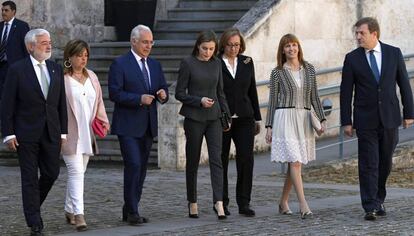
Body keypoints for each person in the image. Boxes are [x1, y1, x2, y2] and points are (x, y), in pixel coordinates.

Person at [340, 17, 414, 221]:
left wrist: (409, 113)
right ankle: (370, 205)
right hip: (365, 120)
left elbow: (404, 84)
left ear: (374, 34)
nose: (358, 37)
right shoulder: (352, 58)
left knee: (385, 162)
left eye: (361, 33)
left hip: (390, 117)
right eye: (356, 33)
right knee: (368, 163)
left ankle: (379, 197)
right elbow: (346, 92)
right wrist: (346, 120)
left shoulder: (393, 53)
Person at [1, 28, 68, 236]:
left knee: (52, 173)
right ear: (30, 46)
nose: (48, 45)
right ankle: (34, 222)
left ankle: (32, 207)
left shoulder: (55, 68)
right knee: (29, 178)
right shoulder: (17, 69)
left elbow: (61, 104)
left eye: (49, 41)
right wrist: (9, 133)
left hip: (51, 132)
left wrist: (63, 132)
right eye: (43, 43)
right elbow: (7, 104)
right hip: (25, 134)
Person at [108, 24, 168, 226]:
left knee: (141, 168)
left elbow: (162, 88)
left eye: (151, 42)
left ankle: (130, 207)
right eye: (145, 42)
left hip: (147, 125)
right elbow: (115, 93)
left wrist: (163, 94)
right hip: (127, 125)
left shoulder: (155, 65)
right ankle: (133, 211)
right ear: (133, 41)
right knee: (133, 164)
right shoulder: (120, 64)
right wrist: (138, 99)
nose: (148, 46)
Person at [265, 34, 326, 219]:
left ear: (298, 47)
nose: (291, 49)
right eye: (287, 46)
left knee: (296, 163)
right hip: (285, 117)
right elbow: (273, 100)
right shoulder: (277, 72)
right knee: (295, 162)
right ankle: (303, 204)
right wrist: (269, 126)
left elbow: (314, 96)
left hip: (304, 119)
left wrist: (322, 119)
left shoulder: (310, 69)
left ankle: (283, 202)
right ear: (282, 50)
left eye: (294, 45)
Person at [175, 30, 231, 220]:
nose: (208, 52)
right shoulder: (188, 63)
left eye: (212, 49)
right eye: (205, 48)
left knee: (217, 159)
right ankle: (192, 201)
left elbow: (220, 91)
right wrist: (199, 101)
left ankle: (219, 202)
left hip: (214, 118)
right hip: (194, 118)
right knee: (193, 160)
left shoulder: (217, 63)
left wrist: (226, 115)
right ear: (198, 46)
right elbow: (179, 94)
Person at [61, 39, 110, 231]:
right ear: (69, 57)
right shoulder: (62, 79)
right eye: (79, 55)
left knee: (79, 172)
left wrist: (103, 120)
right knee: (75, 172)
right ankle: (79, 214)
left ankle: (68, 208)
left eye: (86, 55)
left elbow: (98, 102)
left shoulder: (93, 77)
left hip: (87, 133)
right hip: (69, 133)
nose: (83, 59)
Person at [218, 28, 261, 217]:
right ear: (223, 44)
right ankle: (222, 202)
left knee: (246, 160)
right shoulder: (215, 62)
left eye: (237, 45)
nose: (234, 48)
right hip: (222, 119)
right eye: (230, 45)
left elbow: (252, 90)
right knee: (222, 161)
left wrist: (257, 118)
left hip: (245, 117)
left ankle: (244, 202)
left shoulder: (247, 61)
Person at [0, 0, 30, 96]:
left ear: (13, 12)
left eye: (6, 10)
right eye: (2, 10)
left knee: (13, 92)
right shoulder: (0, 26)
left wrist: (26, 67)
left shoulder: (22, 26)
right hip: (1, 66)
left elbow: (26, 48)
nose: (3, 13)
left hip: (15, 65)